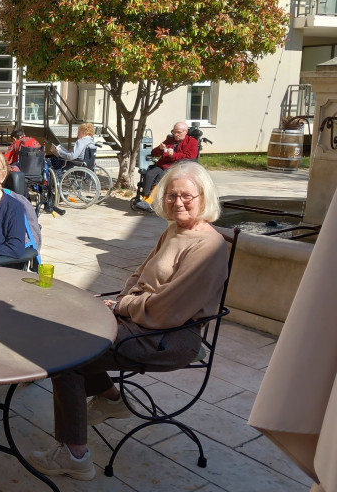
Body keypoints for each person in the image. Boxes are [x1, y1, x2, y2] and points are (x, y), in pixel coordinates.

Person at [29, 161, 228, 481]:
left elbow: (168, 310)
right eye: (171, 195)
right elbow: (140, 274)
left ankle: (75, 454)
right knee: (71, 325)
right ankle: (111, 400)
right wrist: (115, 305)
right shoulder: (174, 230)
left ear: (204, 197)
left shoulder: (209, 246)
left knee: (65, 355)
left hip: (170, 336)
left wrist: (123, 306)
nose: (178, 202)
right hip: (144, 322)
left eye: (187, 196)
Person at [135, 122, 199, 211]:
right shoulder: (170, 140)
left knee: (161, 178)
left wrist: (174, 155)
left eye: (178, 132)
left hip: (178, 166)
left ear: (186, 132)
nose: (176, 134)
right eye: (174, 132)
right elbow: (153, 153)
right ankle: (145, 197)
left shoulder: (192, 142)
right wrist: (160, 149)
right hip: (164, 164)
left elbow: (190, 157)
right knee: (149, 174)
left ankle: (149, 201)